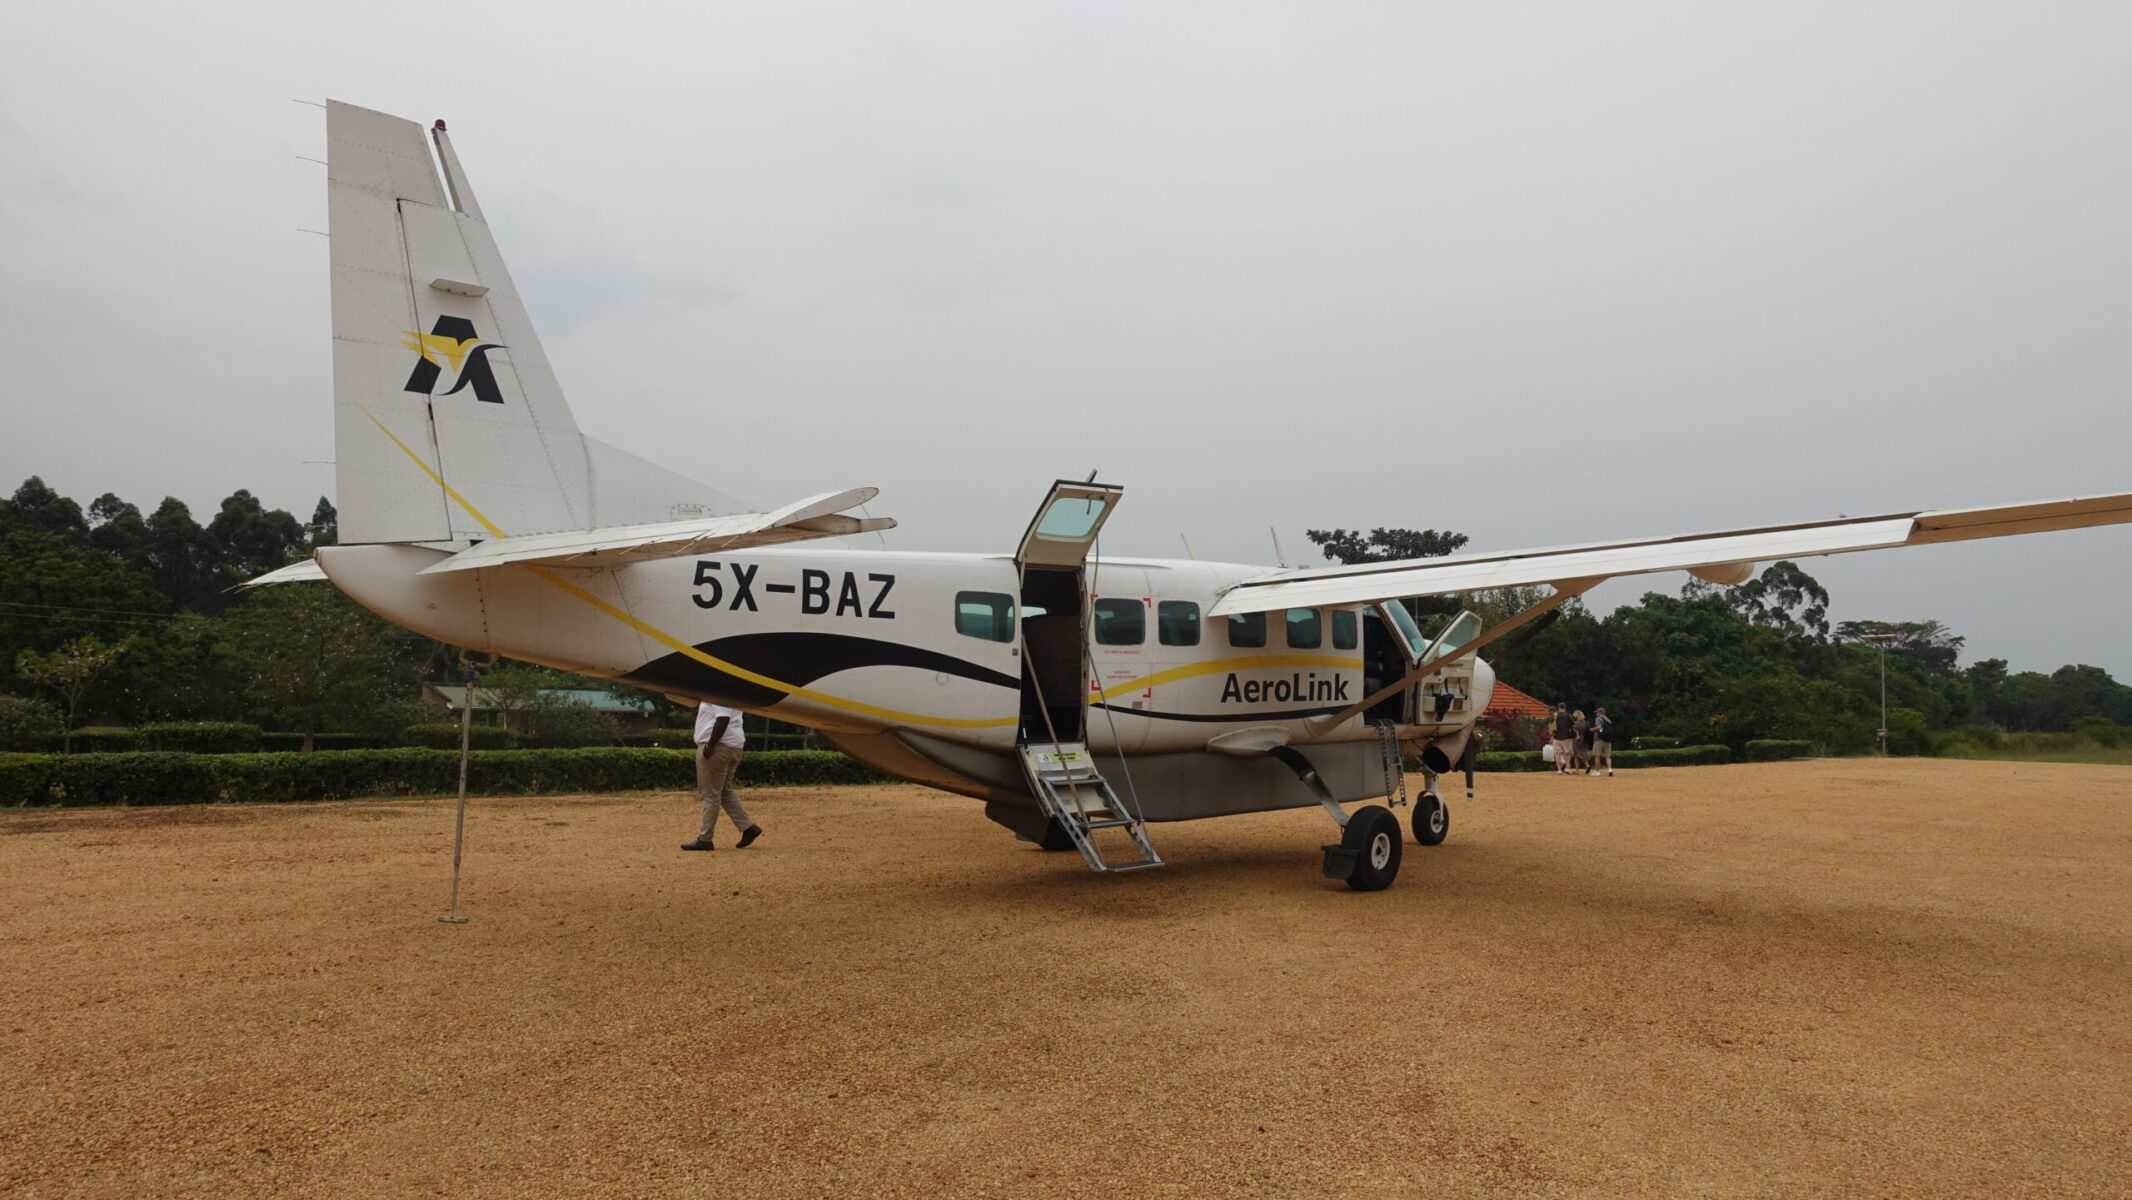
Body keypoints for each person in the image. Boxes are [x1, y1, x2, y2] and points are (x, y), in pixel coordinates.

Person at [681, 701, 762, 851]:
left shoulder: (716, 691)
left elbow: (723, 718)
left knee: (710, 794)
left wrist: (710, 745)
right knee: (725, 791)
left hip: (718, 747)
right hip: (732, 745)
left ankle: (705, 839)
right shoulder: (728, 691)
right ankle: (748, 828)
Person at [1550, 703, 1576, 775]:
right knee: (1568, 753)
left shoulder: (1555, 716)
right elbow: (1573, 725)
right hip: (1566, 737)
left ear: (1558, 708)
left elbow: (1551, 726)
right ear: (1565, 708)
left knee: (1557, 754)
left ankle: (1559, 769)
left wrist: (1552, 736)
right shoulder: (1568, 715)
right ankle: (1567, 768)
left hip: (1556, 737)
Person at [1590, 708, 1614, 776]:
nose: (1596, 714)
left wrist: (1592, 729)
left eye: (1597, 713)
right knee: (1607, 756)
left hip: (1599, 739)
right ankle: (1610, 769)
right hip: (1608, 740)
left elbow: (1599, 727)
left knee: (1597, 756)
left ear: (1600, 713)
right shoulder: (1608, 720)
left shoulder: (1598, 719)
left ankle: (1597, 771)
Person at [1571, 709, 1590, 774]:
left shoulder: (1575, 724)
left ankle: (1577, 770)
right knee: (1583, 753)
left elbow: (1573, 731)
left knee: (1576, 754)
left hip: (1577, 739)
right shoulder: (1585, 722)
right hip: (1584, 739)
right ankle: (1587, 765)